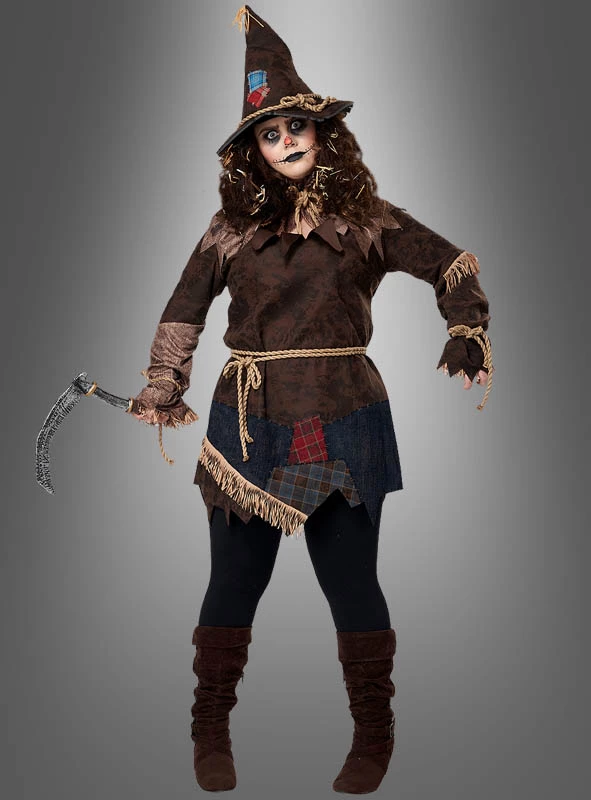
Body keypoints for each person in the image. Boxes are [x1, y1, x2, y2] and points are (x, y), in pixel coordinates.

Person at [130, 5, 493, 794]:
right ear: (252, 151)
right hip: (247, 421)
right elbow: (183, 310)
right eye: (269, 133)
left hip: (343, 412)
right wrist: (163, 383)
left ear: (323, 135)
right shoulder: (227, 229)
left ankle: (374, 735)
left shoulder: (367, 221)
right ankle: (208, 731)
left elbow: (451, 265)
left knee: (351, 582)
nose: (286, 141)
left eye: (297, 127)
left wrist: (466, 331)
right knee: (232, 582)